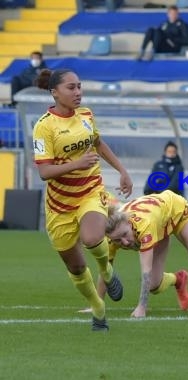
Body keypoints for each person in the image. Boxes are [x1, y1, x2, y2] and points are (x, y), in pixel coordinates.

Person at [32, 68, 133, 331]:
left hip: (90, 190)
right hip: (59, 206)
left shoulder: (86, 115)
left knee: (91, 238)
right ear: (55, 92)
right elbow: (44, 172)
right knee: (76, 267)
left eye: (79, 87)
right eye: (71, 88)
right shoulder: (44, 127)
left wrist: (122, 170)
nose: (78, 92)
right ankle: (97, 307)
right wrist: (76, 162)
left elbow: (99, 144)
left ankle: (106, 272)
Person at [105, 190, 188, 318]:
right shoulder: (110, 238)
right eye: (117, 240)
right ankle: (179, 279)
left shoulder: (144, 226)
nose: (125, 242)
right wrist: (97, 303)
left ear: (128, 223)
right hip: (160, 223)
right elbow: (105, 269)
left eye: (124, 235)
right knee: (154, 286)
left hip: (179, 212)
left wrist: (142, 307)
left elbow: (146, 270)